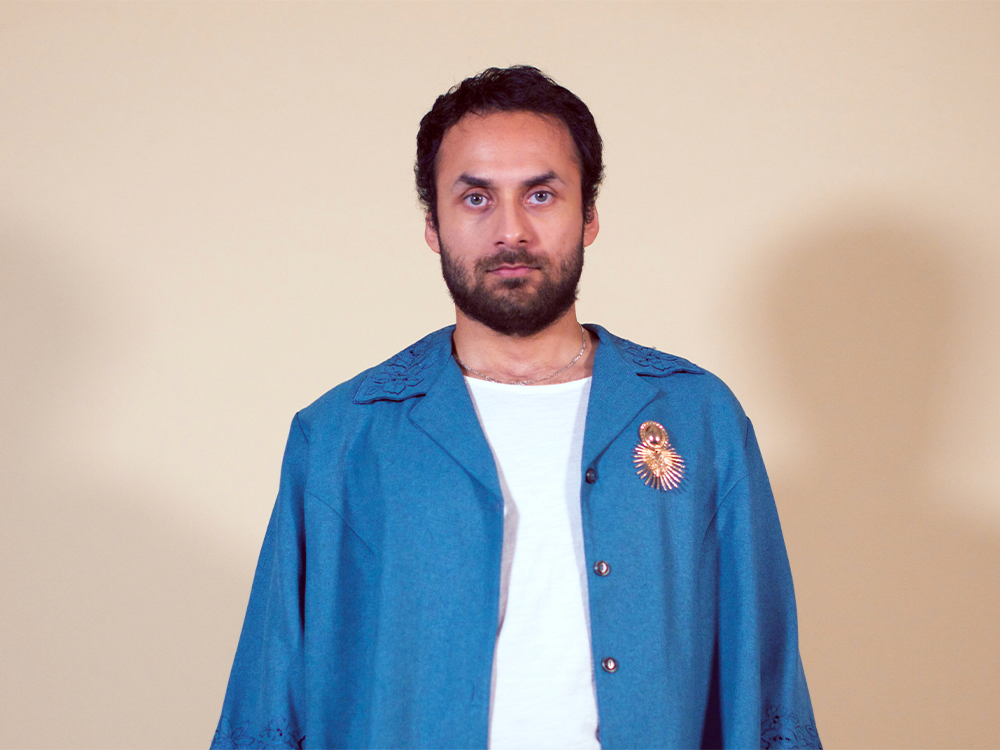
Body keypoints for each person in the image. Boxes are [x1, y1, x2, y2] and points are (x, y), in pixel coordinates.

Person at [211, 66, 820, 750]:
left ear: (589, 215)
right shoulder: (342, 437)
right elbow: (269, 696)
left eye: (540, 194)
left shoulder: (699, 419)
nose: (511, 231)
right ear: (433, 225)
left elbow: (766, 676)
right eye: (476, 198)